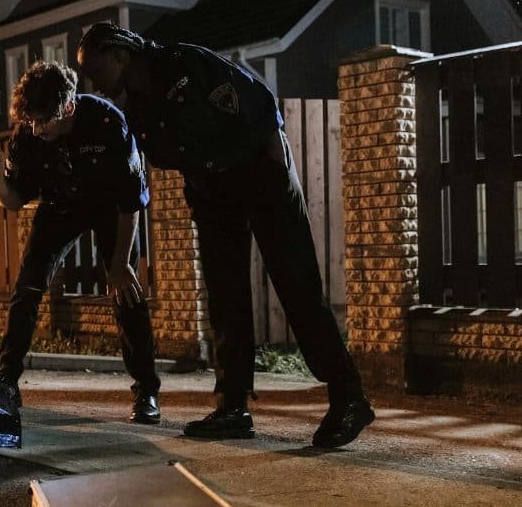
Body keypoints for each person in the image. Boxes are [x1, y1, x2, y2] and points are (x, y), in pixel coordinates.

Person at [76, 22, 374, 448]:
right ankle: (233, 408)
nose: (92, 82)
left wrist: (276, 169)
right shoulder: (136, 107)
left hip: (261, 174)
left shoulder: (186, 63)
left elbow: (258, 100)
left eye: (93, 68)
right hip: (215, 195)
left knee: (298, 288)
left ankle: (349, 398)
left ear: (119, 53)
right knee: (225, 298)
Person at [0, 60, 161, 423]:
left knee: (126, 292)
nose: (37, 128)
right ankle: (7, 380)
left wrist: (120, 264)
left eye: (44, 120)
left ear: (69, 107)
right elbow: (15, 201)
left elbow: (132, 200)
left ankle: (146, 390)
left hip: (111, 208)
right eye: (31, 121)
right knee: (27, 287)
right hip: (60, 206)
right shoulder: (27, 134)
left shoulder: (108, 123)